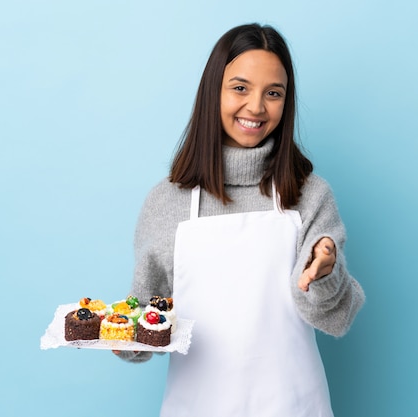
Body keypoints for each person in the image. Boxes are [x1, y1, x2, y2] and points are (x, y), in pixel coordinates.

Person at [115, 23, 365, 416]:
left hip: (292, 406)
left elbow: (336, 319)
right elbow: (145, 324)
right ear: (213, 90)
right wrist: (124, 337)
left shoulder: (309, 194)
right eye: (240, 88)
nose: (256, 107)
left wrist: (325, 274)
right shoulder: (167, 201)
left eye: (274, 93)